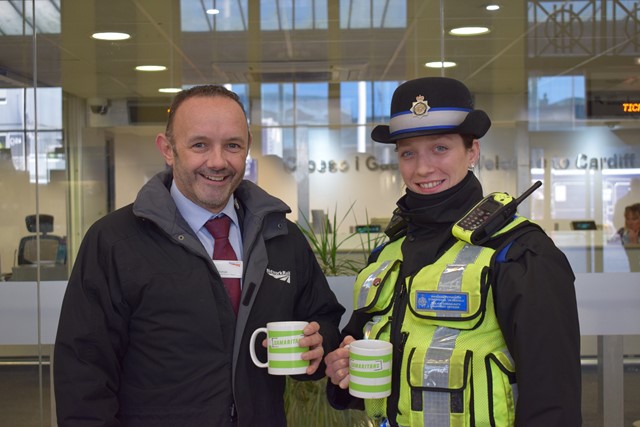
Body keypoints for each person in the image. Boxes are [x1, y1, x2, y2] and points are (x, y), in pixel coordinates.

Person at [54, 85, 344, 427]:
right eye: (200, 145)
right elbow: (83, 371)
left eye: (232, 145)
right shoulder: (115, 241)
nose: (218, 161)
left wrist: (317, 344)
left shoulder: (281, 238)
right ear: (168, 149)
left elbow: (321, 317)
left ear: (247, 147)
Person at [324, 77, 582, 426]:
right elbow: (370, 362)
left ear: (472, 151)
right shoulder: (386, 255)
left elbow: (553, 402)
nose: (423, 168)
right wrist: (345, 370)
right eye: (408, 153)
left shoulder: (519, 252)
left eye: (440, 148)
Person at [615, 203, 640, 271]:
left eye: (634, 219)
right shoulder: (621, 232)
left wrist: (634, 243)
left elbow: (636, 265)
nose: (630, 222)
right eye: (627, 219)